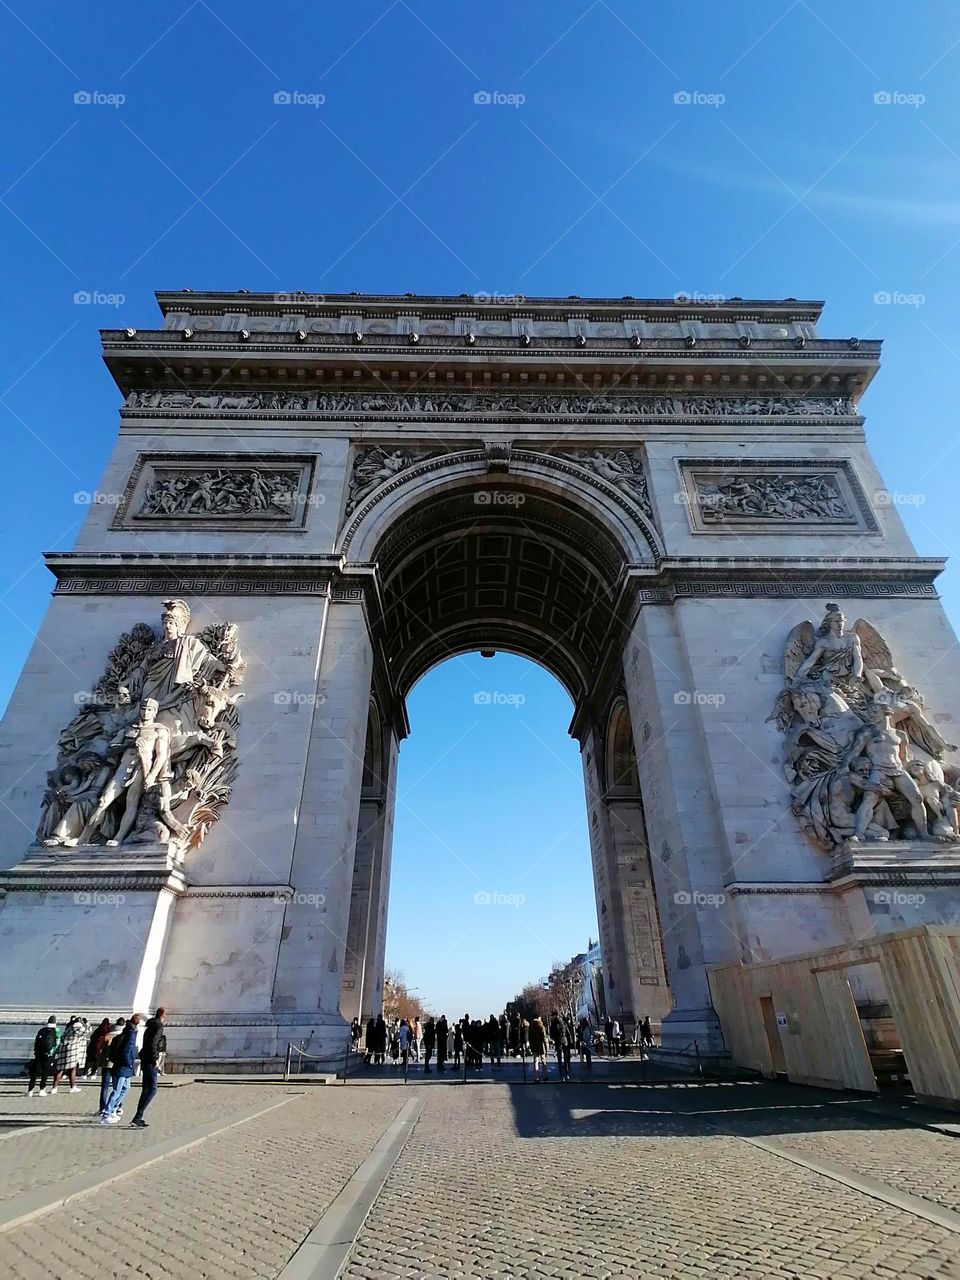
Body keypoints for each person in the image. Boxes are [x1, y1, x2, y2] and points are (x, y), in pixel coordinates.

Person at [101, 1015, 140, 1124]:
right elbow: (127, 1052)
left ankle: (113, 1109)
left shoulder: (128, 1033)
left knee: (125, 1089)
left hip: (123, 1067)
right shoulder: (130, 1035)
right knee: (117, 1091)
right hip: (122, 1067)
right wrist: (130, 1064)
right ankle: (106, 1113)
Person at [131, 1007, 165, 1128]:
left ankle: (138, 1117)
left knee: (146, 1088)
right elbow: (154, 1042)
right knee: (152, 1089)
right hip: (151, 1060)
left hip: (145, 1058)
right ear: (163, 1016)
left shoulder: (149, 1026)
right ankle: (138, 1117)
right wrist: (156, 1058)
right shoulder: (159, 1027)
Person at [51, 1015, 88, 1093]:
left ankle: (54, 1088)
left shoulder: (69, 1028)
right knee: (72, 1068)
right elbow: (86, 1031)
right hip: (72, 1050)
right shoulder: (77, 1027)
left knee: (60, 1069)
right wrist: (84, 1023)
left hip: (63, 1049)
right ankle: (72, 1086)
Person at [97, 1018, 125, 1115]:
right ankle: (118, 1106)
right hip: (117, 1064)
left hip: (106, 1063)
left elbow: (101, 1049)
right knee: (117, 1087)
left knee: (105, 1086)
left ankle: (102, 1107)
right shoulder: (123, 1036)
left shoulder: (107, 1036)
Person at [27, 1016, 59, 1096]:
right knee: (45, 1072)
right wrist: (53, 1053)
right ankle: (42, 1089)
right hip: (48, 1055)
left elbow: (36, 1041)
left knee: (35, 1072)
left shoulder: (41, 1030)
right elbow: (57, 1043)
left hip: (38, 1054)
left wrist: (36, 1052)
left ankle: (30, 1090)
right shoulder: (56, 1031)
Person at [528, 1015, 549, 1081]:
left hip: (534, 1046)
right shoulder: (541, 1026)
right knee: (543, 1061)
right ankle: (545, 1076)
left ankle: (536, 1077)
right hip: (541, 1046)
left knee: (535, 1061)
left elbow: (530, 1037)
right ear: (539, 1018)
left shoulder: (531, 1027)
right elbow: (544, 1038)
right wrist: (546, 1047)